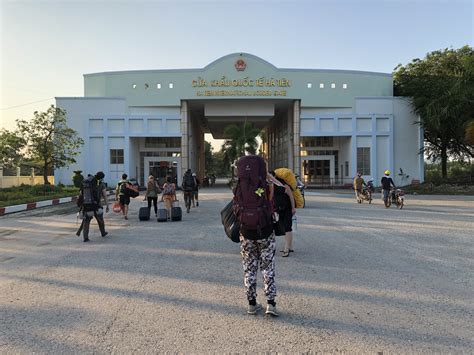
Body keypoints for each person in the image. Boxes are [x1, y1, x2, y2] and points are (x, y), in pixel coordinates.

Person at [234, 155, 279, 317]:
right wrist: (268, 177)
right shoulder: (266, 184)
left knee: (249, 268)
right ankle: (271, 304)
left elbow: (235, 204)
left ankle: (252, 304)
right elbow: (271, 199)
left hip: (246, 232)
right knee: (268, 267)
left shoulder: (240, 185)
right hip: (265, 231)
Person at [269, 171, 296, 257]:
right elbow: (271, 198)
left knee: (287, 227)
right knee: (286, 228)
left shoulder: (284, 185)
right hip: (279, 209)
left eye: (270, 177)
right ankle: (290, 246)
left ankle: (286, 249)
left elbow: (291, 197)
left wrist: (293, 208)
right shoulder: (272, 185)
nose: (269, 179)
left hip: (287, 209)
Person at [77, 171, 108, 242]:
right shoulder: (101, 184)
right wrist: (107, 205)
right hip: (97, 206)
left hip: (86, 206)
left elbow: (80, 194)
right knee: (100, 220)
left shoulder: (86, 183)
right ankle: (103, 232)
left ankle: (85, 237)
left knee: (86, 222)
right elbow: (105, 195)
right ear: (101, 178)